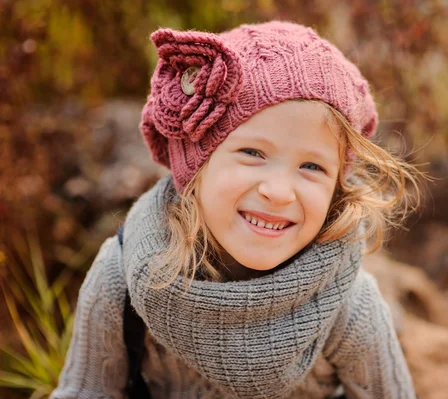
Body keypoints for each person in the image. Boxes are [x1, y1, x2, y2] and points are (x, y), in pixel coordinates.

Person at [51, 21, 420, 399]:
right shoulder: (123, 277)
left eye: (312, 167)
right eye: (252, 153)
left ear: (337, 188)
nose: (278, 193)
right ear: (196, 163)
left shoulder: (346, 303)